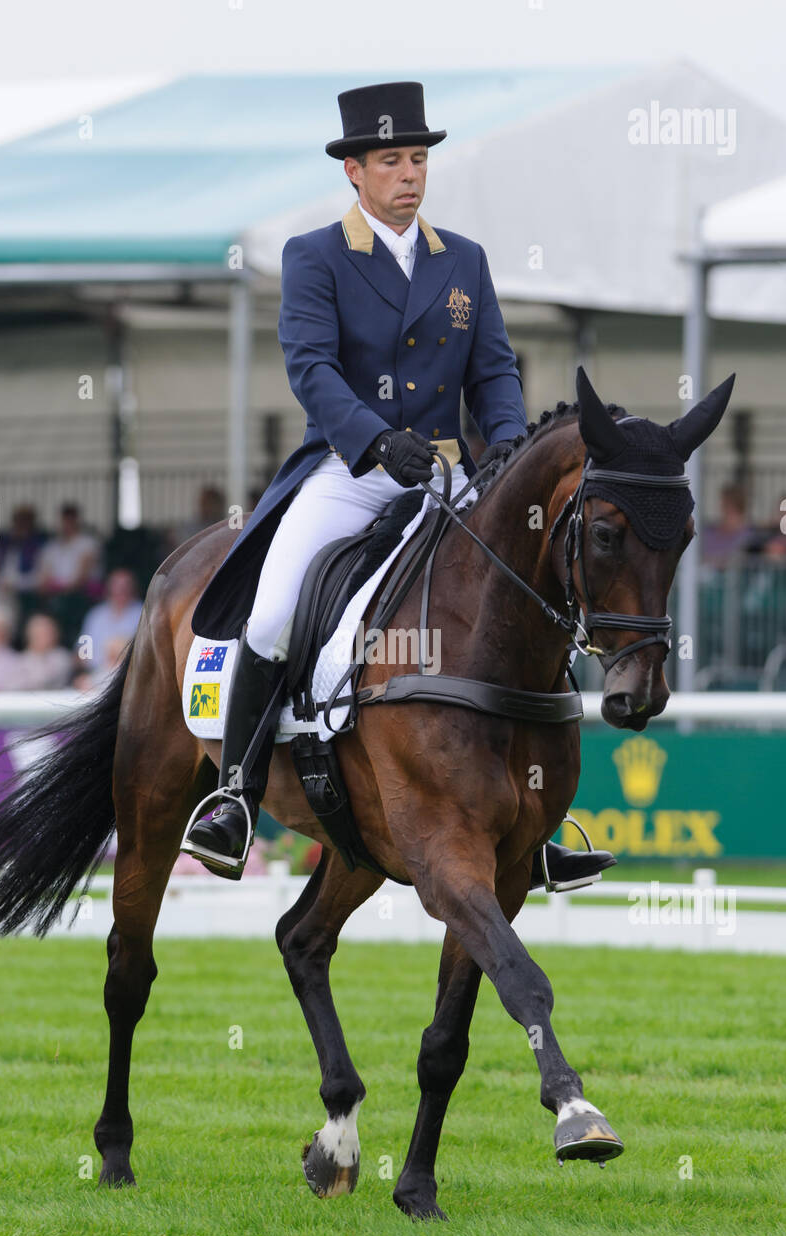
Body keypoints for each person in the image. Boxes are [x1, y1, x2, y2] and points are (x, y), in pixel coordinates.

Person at [183, 82, 610, 893]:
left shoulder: (465, 261)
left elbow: (492, 370)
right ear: (354, 170)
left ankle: (537, 821)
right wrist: (376, 439)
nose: (409, 174)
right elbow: (311, 368)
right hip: (351, 474)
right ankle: (234, 797)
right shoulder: (316, 257)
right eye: (391, 161)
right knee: (272, 611)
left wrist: (510, 448)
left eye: (418, 158)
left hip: (449, 476)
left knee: (520, 596)